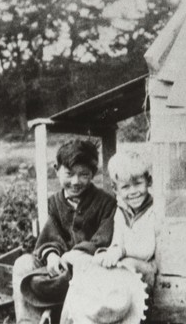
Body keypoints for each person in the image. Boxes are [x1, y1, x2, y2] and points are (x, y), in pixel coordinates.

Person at [12, 139, 117, 324]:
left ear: (93, 174)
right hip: (58, 267)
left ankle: (55, 315)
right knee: (23, 264)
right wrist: (52, 255)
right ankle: (29, 320)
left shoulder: (106, 203)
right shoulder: (54, 203)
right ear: (56, 170)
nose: (76, 182)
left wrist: (75, 255)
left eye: (84, 174)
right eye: (69, 174)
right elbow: (50, 235)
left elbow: (103, 238)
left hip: (88, 268)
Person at [94, 150, 158, 289]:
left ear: (149, 181)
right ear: (115, 189)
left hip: (148, 267)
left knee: (125, 266)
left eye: (138, 183)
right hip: (127, 261)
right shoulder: (121, 211)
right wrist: (111, 252)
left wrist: (120, 251)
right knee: (98, 263)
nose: (133, 191)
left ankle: (136, 307)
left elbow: (147, 250)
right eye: (125, 187)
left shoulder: (153, 210)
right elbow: (117, 241)